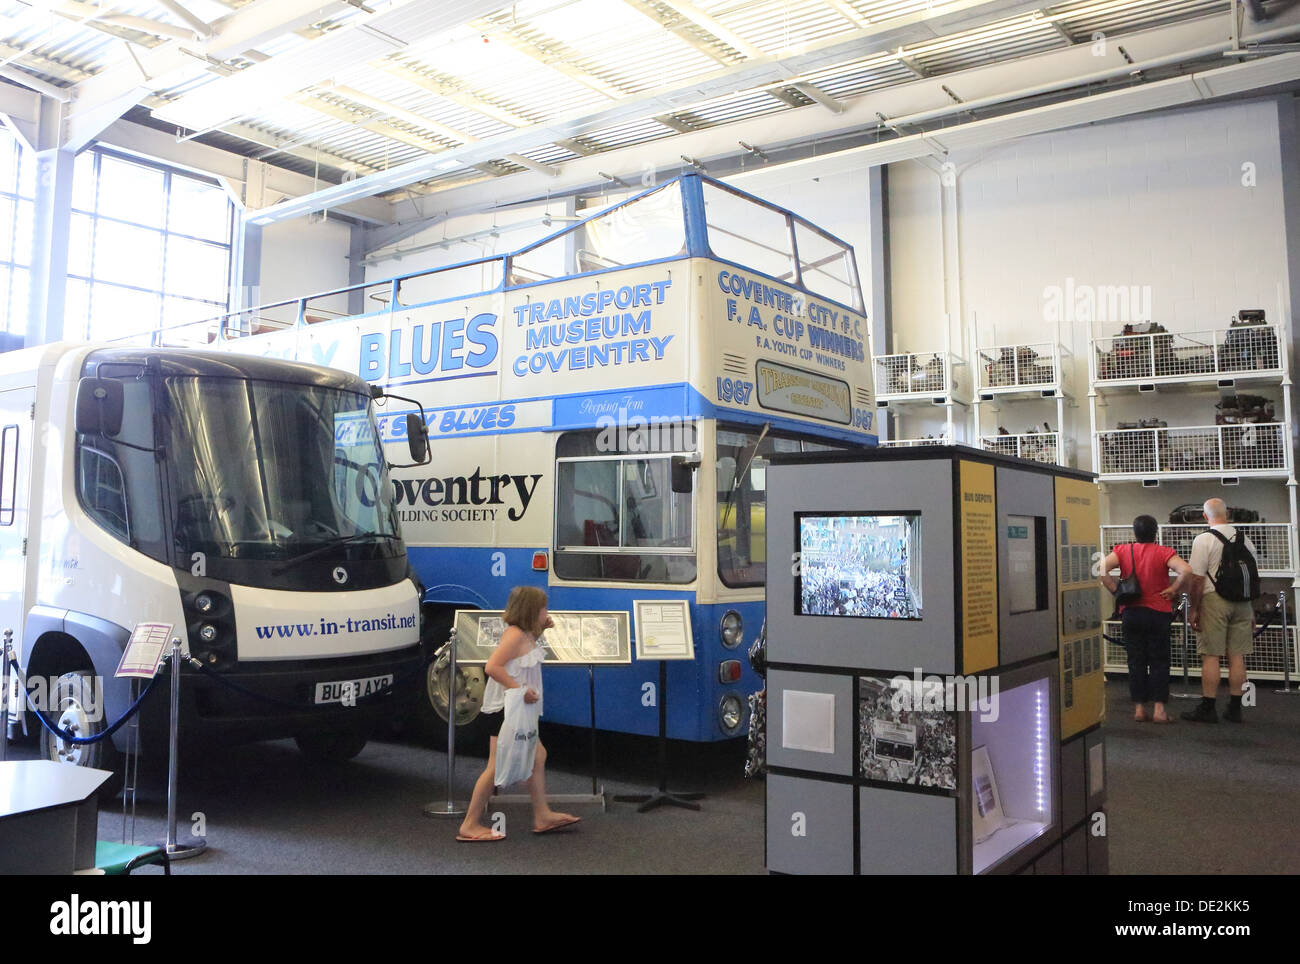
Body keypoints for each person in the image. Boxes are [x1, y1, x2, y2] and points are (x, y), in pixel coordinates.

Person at [456, 586, 581, 841]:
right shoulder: (514, 635)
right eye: (542, 608)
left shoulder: (525, 634)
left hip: (517, 707)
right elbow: (492, 667)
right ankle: (469, 824)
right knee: (496, 766)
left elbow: (524, 656)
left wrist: (542, 629)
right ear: (529, 611)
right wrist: (520, 689)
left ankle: (542, 815)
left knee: (537, 756)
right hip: (505, 709)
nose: (546, 612)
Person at [1099, 515, 1193, 723]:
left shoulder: (1123, 550)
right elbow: (1186, 570)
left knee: (1135, 660)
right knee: (1159, 661)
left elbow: (1101, 570)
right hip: (1159, 612)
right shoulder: (1164, 552)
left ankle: (1139, 709)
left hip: (1131, 612)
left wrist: (1116, 591)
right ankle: (1159, 710)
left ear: (1135, 532)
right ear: (1155, 532)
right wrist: (1173, 589)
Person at [1182, 498, 1258, 724]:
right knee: (1237, 656)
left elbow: (1197, 579)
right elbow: (1252, 578)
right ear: (1227, 514)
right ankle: (1235, 708)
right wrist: (1251, 609)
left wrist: (1194, 609)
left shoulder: (1204, 539)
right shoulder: (1246, 540)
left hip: (1214, 600)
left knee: (1211, 655)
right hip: (1243, 602)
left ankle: (1208, 707)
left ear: (1205, 517)